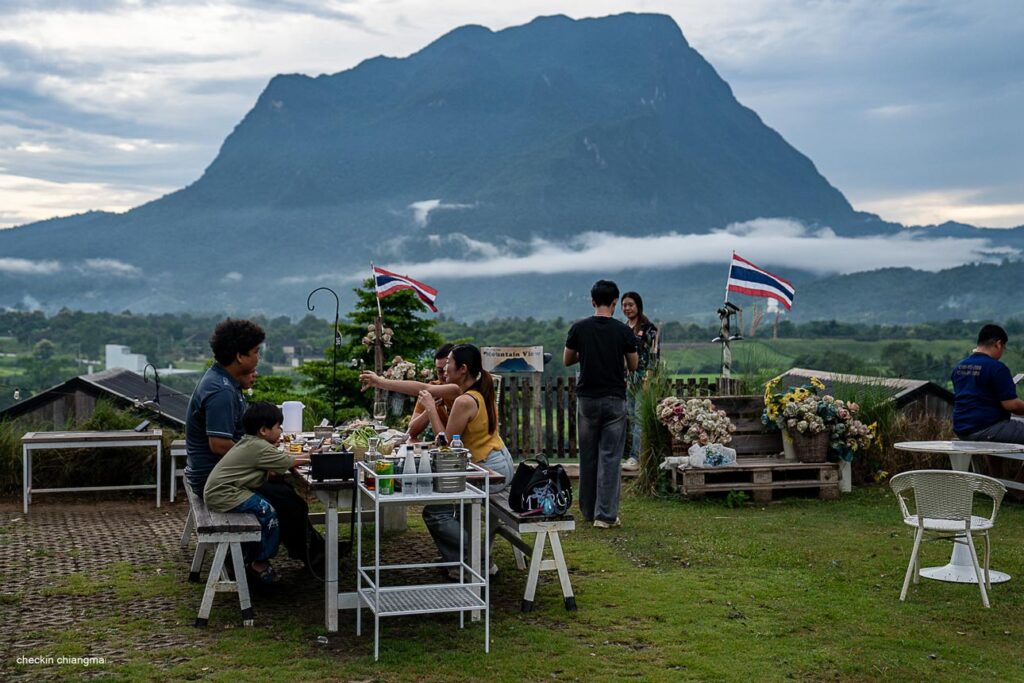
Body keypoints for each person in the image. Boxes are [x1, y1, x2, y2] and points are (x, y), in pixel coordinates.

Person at [185, 318, 326, 571]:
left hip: (218, 473)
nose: (258, 358)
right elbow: (219, 445)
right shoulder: (221, 392)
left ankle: (310, 551)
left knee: (283, 491)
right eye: (255, 352)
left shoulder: (224, 380)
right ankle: (309, 558)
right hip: (216, 479)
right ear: (240, 356)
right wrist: (262, 462)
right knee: (288, 502)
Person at [360, 344, 514, 576]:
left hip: (490, 469)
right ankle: (459, 565)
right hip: (491, 460)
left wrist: (432, 410)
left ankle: (480, 559)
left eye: (449, 363)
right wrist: (380, 382)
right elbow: (421, 388)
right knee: (447, 507)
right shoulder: (466, 388)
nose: (444, 370)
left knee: (436, 512)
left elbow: (447, 447)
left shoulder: (464, 400)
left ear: (462, 369)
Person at [204, 402, 306, 586]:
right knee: (268, 512)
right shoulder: (259, 447)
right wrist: (315, 455)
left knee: (272, 503)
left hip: (220, 492)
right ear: (264, 430)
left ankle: (246, 556)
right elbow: (290, 462)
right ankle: (259, 562)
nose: (281, 430)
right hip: (225, 494)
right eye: (278, 426)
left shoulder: (250, 442)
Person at [564, 280, 638, 528]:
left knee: (588, 455)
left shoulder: (579, 328)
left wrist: (584, 352)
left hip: (587, 399)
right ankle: (604, 515)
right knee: (610, 456)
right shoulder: (623, 331)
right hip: (614, 399)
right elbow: (634, 364)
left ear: (593, 301)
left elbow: (567, 359)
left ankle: (587, 509)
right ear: (615, 302)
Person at [951, 324, 1024, 444]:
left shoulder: (959, 367)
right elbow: (1012, 405)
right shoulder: (997, 368)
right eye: (1003, 348)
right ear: (998, 344)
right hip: (987, 428)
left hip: (962, 430)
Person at [620, 291, 659, 471]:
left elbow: (654, 356)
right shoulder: (621, 328)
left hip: (644, 378)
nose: (627, 308)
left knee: (640, 418)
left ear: (638, 305)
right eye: (624, 305)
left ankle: (636, 458)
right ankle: (633, 456)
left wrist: (648, 379)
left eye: (630, 304)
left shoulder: (649, 328)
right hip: (627, 379)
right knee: (630, 418)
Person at [406, 343, 455, 442]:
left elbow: (446, 443)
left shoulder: (463, 392)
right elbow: (411, 432)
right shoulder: (433, 388)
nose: (444, 375)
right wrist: (429, 408)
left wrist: (430, 408)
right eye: (439, 371)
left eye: (446, 370)